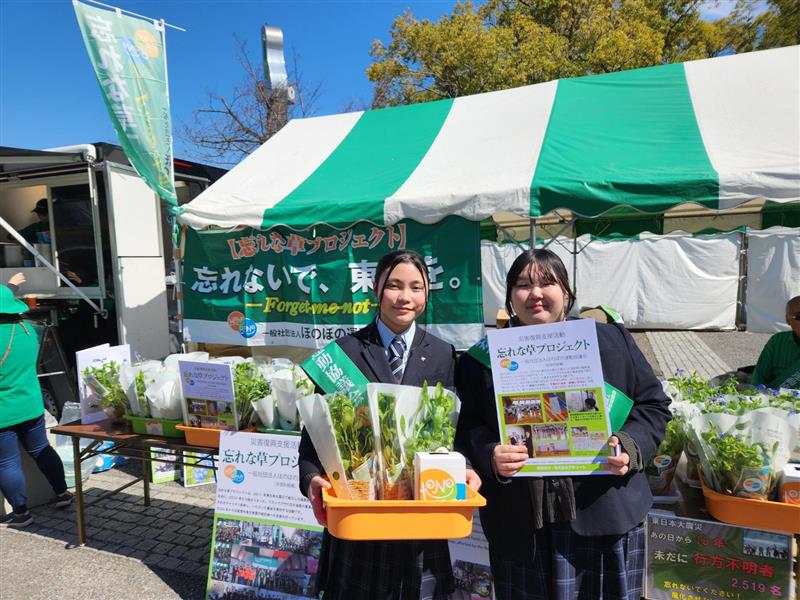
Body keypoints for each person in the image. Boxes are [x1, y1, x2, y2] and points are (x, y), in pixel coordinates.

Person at [454, 248, 671, 600]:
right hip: (522, 526)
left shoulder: (610, 340)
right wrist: (490, 454)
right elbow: (467, 427)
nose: (535, 293)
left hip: (604, 514)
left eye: (547, 282)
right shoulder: (480, 359)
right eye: (523, 284)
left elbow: (654, 405)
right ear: (510, 295)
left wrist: (629, 447)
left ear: (567, 291)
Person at [297, 249, 481, 600]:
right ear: (376, 290)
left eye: (416, 287)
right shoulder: (345, 352)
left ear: (426, 294)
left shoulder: (442, 353)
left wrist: (466, 467)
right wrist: (311, 478)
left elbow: (452, 429)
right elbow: (315, 434)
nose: (405, 297)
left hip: (421, 512)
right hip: (361, 511)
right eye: (394, 285)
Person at [0, 283, 72, 528]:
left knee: (7, 463)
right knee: (42, 449)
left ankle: (21, 513)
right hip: (31, 404)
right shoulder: (29, 331)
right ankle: (62, 493)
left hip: (3, 412)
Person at [752, 295, 800, 389]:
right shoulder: (777, 342)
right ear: (787, 320)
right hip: (776, 397)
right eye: (799, 316)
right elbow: (759, 377)